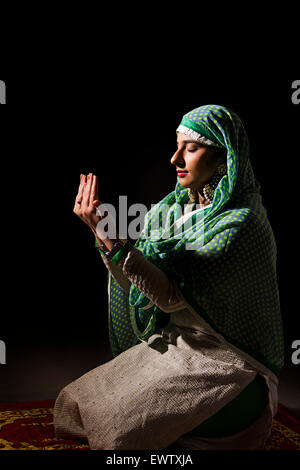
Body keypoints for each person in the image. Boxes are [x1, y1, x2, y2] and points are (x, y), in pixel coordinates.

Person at [53, 104, 284, 450]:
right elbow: (134, 284)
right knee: (74, 404)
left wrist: (111, 236)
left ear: (225, 157)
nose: (175, 159)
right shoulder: (172, 210)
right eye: (176, 146)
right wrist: (102, 233)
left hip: (226, 362)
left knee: (117, 432)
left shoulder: (242, 224)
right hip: (178, 345)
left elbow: (170, 296)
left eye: (190, 148)